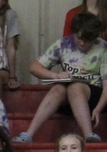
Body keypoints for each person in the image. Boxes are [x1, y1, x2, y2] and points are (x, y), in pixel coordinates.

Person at [12, 13, 107, 145]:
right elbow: (34, 67)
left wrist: (99, 108)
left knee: (75, 87)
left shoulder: (103, 48)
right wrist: (55, 75)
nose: (82, 43)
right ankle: (28, 134)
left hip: (95, 96)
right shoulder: (64, 44)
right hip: (69, 97)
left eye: (88, 40)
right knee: (58, 88)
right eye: (79, 38)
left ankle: (88, 135)